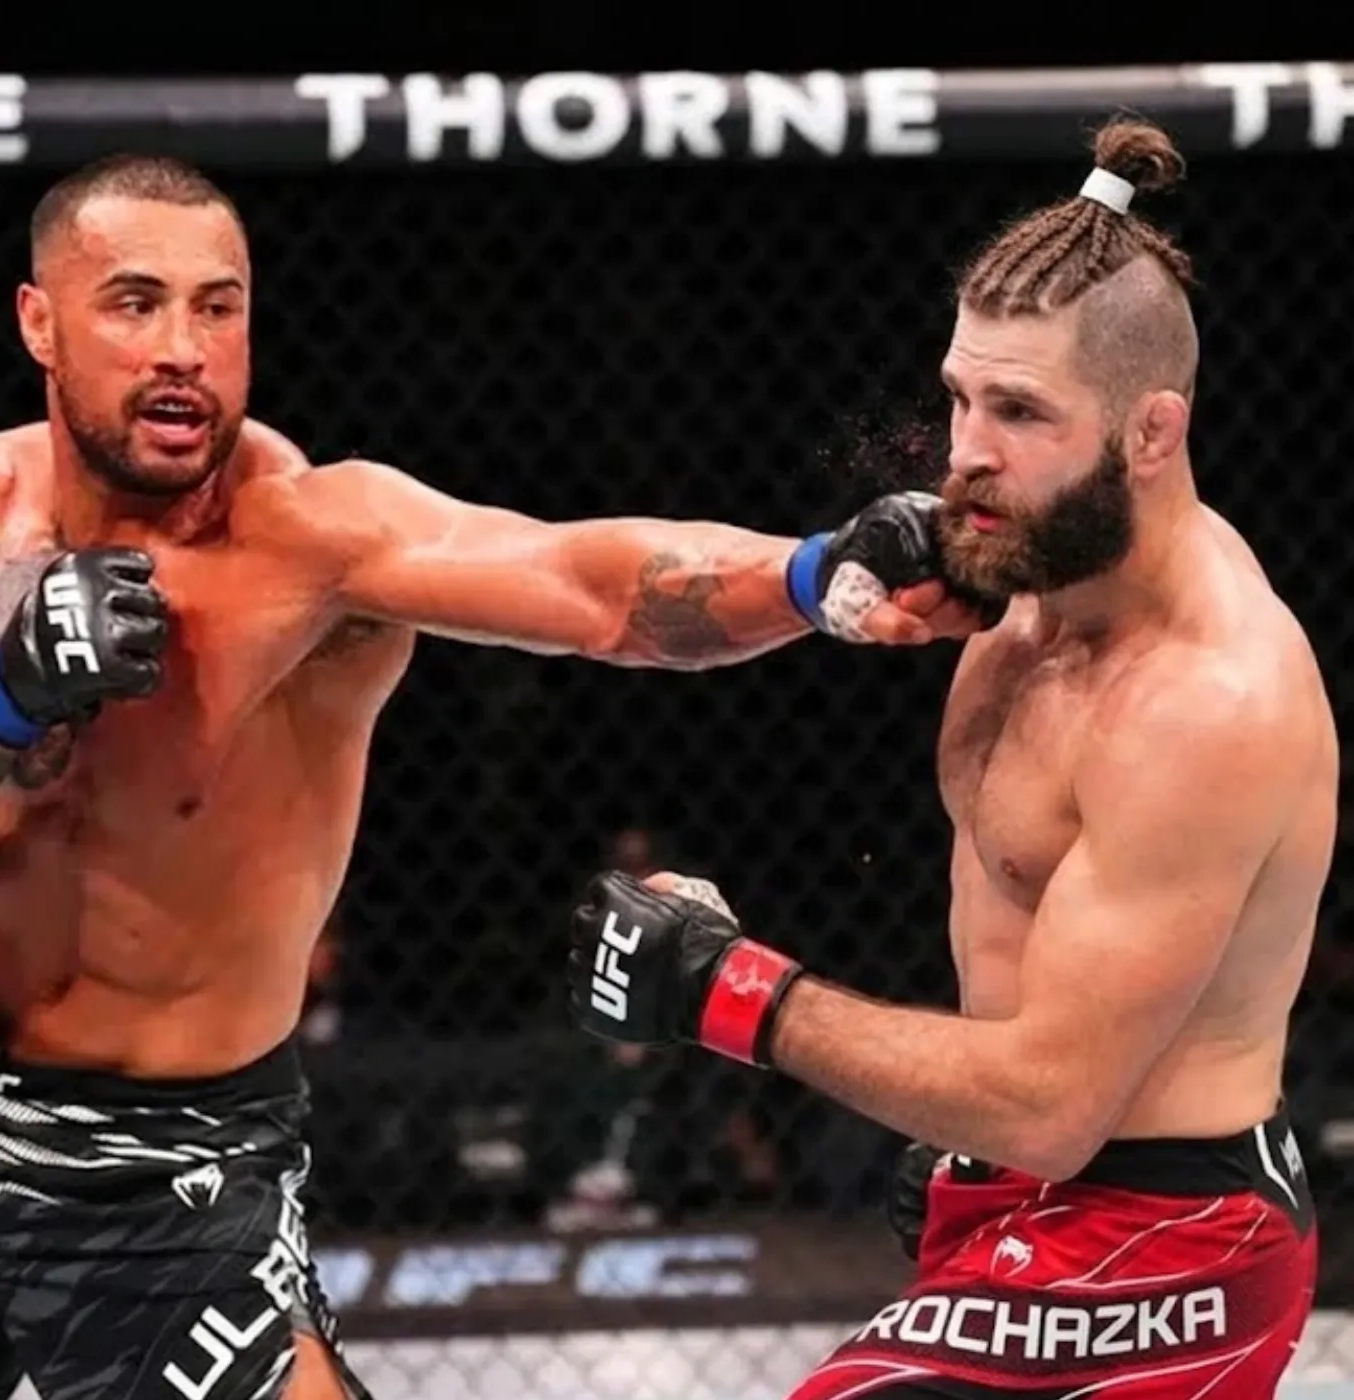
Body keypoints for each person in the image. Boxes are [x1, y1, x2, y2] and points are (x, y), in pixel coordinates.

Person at [0, 155, 989, 1400]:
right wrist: (0, 697)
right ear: (39, 322)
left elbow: (588, 585)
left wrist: (813, 574)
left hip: (155, 1164)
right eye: (134, 302)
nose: (183, 349)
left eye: (217, 307)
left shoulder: (313, 540)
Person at [568, 115, 1335, 1398]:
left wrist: (727, 986)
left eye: (1020, 411)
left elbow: (1050, 1101)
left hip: (1164, 1244)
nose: (966, 450)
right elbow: (631, 603)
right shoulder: (1024, 576)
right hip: (1023, 1187)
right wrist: (819, 578)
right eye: (959, 397)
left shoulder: (1205, 699)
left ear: (1149, 434)